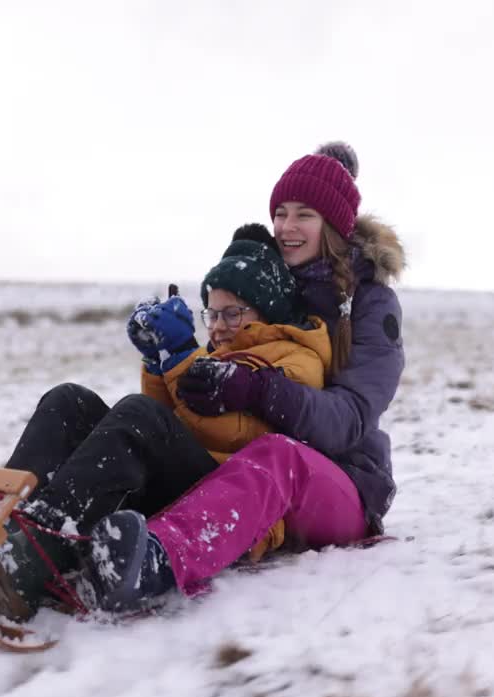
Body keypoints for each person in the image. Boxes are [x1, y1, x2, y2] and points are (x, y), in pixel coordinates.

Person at [83, 141, 408, 612]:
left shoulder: (372, 305)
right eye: (280, 212)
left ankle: (156, 561)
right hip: (249, 461)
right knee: (113, 416)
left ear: (334, 225)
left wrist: (260, 390)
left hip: (345, 484)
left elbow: (350, 418)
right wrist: (172, 358)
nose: (286, 228)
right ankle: (34, 529)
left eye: (304, 215)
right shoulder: (271, 281)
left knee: (280, 456)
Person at [0, 226, 332, 620]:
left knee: (139, 417)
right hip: (185, 476)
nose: (216, 326)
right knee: (69, 400)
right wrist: (156, 360)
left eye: (232, 313)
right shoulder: (220, 352)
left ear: (265, 311)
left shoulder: (297, 362)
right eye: (211, 313)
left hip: (219, 498)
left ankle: (36, 555)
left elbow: (238, 431)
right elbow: (173, 418)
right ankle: (3, 525)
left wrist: (181, 357)